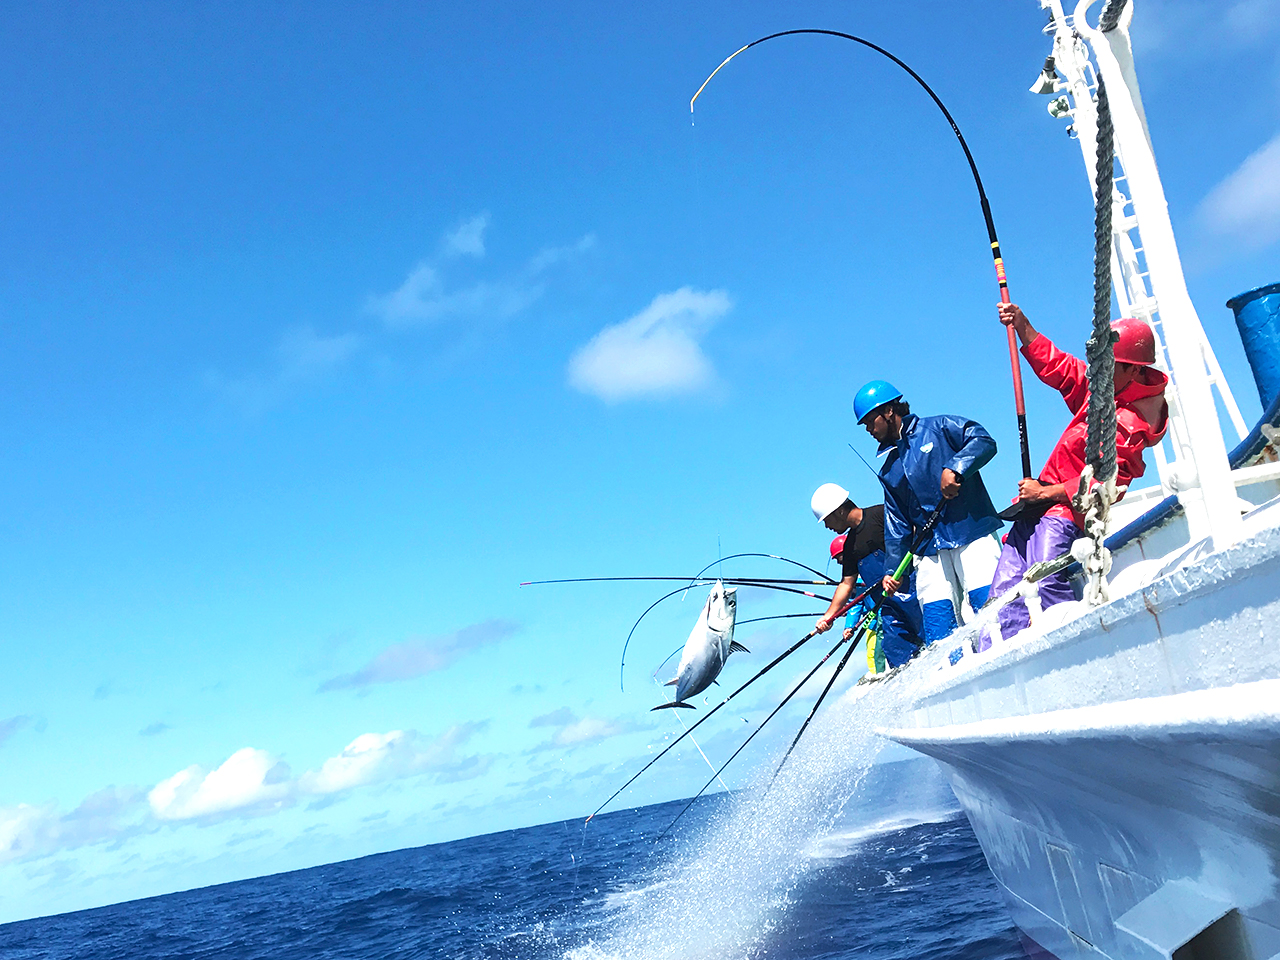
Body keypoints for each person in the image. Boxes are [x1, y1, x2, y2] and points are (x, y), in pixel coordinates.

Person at [988, 304, 1169, 641]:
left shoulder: (1131, 422)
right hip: (1035, 506)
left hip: (1063, 513)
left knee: (1045, 580)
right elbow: (1062, 368)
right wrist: (1023, 325)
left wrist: (1046, 493)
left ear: (1132, 370)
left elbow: (1106, 485)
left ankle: (1072, 646)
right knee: (1002, 597)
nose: (1096, 371)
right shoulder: (1104, 388)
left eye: (1106, 364)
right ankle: (996, 657)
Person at [852, 381, 1003, 643]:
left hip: (970, 531)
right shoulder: (888, 471)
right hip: (928, 550)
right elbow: (896, 524)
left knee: (989, 605)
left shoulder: (939, 427)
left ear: (888, 411)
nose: (868, 429)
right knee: (938, 624)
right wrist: (891, 570)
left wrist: (956, 467)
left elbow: (983, 440)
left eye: (869, 421)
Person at [809, 483, 926, 669]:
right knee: (895, 650)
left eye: (826, 519)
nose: (826, 526)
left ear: (838, 511)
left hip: (917, 594)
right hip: (888, 607)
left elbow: (913, 538)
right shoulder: (849, 546)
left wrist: (897, 571)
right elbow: (846, 585)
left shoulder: (882, 514)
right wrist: (829, 617)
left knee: (933, 637)